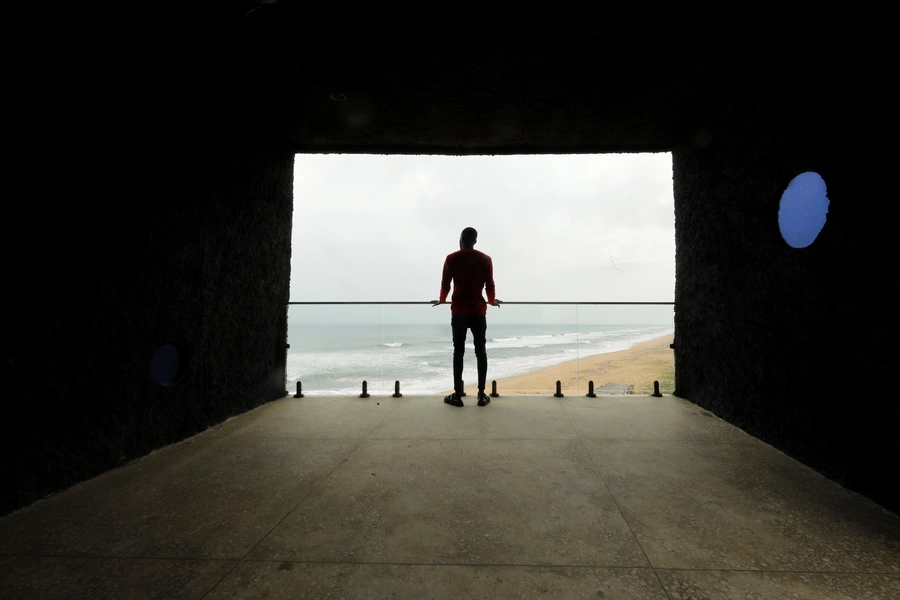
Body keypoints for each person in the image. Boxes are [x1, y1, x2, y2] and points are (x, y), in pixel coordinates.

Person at [431, 227, 501, 407]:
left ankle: (457, 396)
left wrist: (441, 300)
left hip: (459, 312)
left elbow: (445, 284)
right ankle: (481, 395)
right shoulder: (485, 260)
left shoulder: (451, 258)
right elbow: (489, 286)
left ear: (461, 239)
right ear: (475, 241)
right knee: (481, 352)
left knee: (458, 353)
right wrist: (492, 301)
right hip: (478, 312)